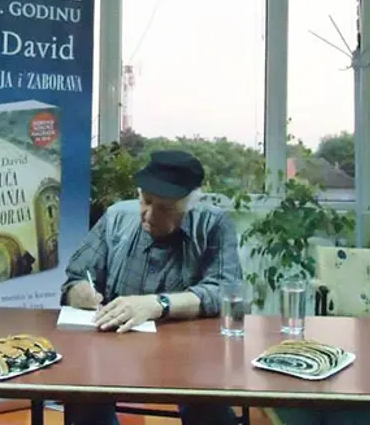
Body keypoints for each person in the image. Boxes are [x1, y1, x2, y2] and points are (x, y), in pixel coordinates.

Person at [61, 150, 243, 425]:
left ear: (190, 205)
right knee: (85, 399)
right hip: (115, 343)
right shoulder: (116, 217)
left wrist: (157, 305)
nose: (148, 215)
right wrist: (80, 292)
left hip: (189, 351)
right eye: (145, 201)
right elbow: (75, 277)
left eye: (165, 208)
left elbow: (225, 290)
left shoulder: (213, 224)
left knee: (208, 408)